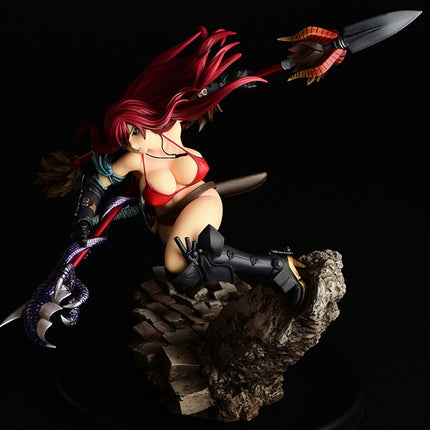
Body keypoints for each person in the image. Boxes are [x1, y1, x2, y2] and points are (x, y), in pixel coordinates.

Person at [37, 26, 306, 308]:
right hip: (169, 225)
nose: (134, 145)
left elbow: (203, 94)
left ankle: (277, 268)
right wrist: (83, 219)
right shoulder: (134, 160)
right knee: (184, 272)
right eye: (125, 142)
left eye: (134, 133)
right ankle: (271, 267)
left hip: (202, 200)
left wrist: (232, 81)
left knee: (184, 258)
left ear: (144, 119)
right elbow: (96, 184)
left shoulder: (172, 127)